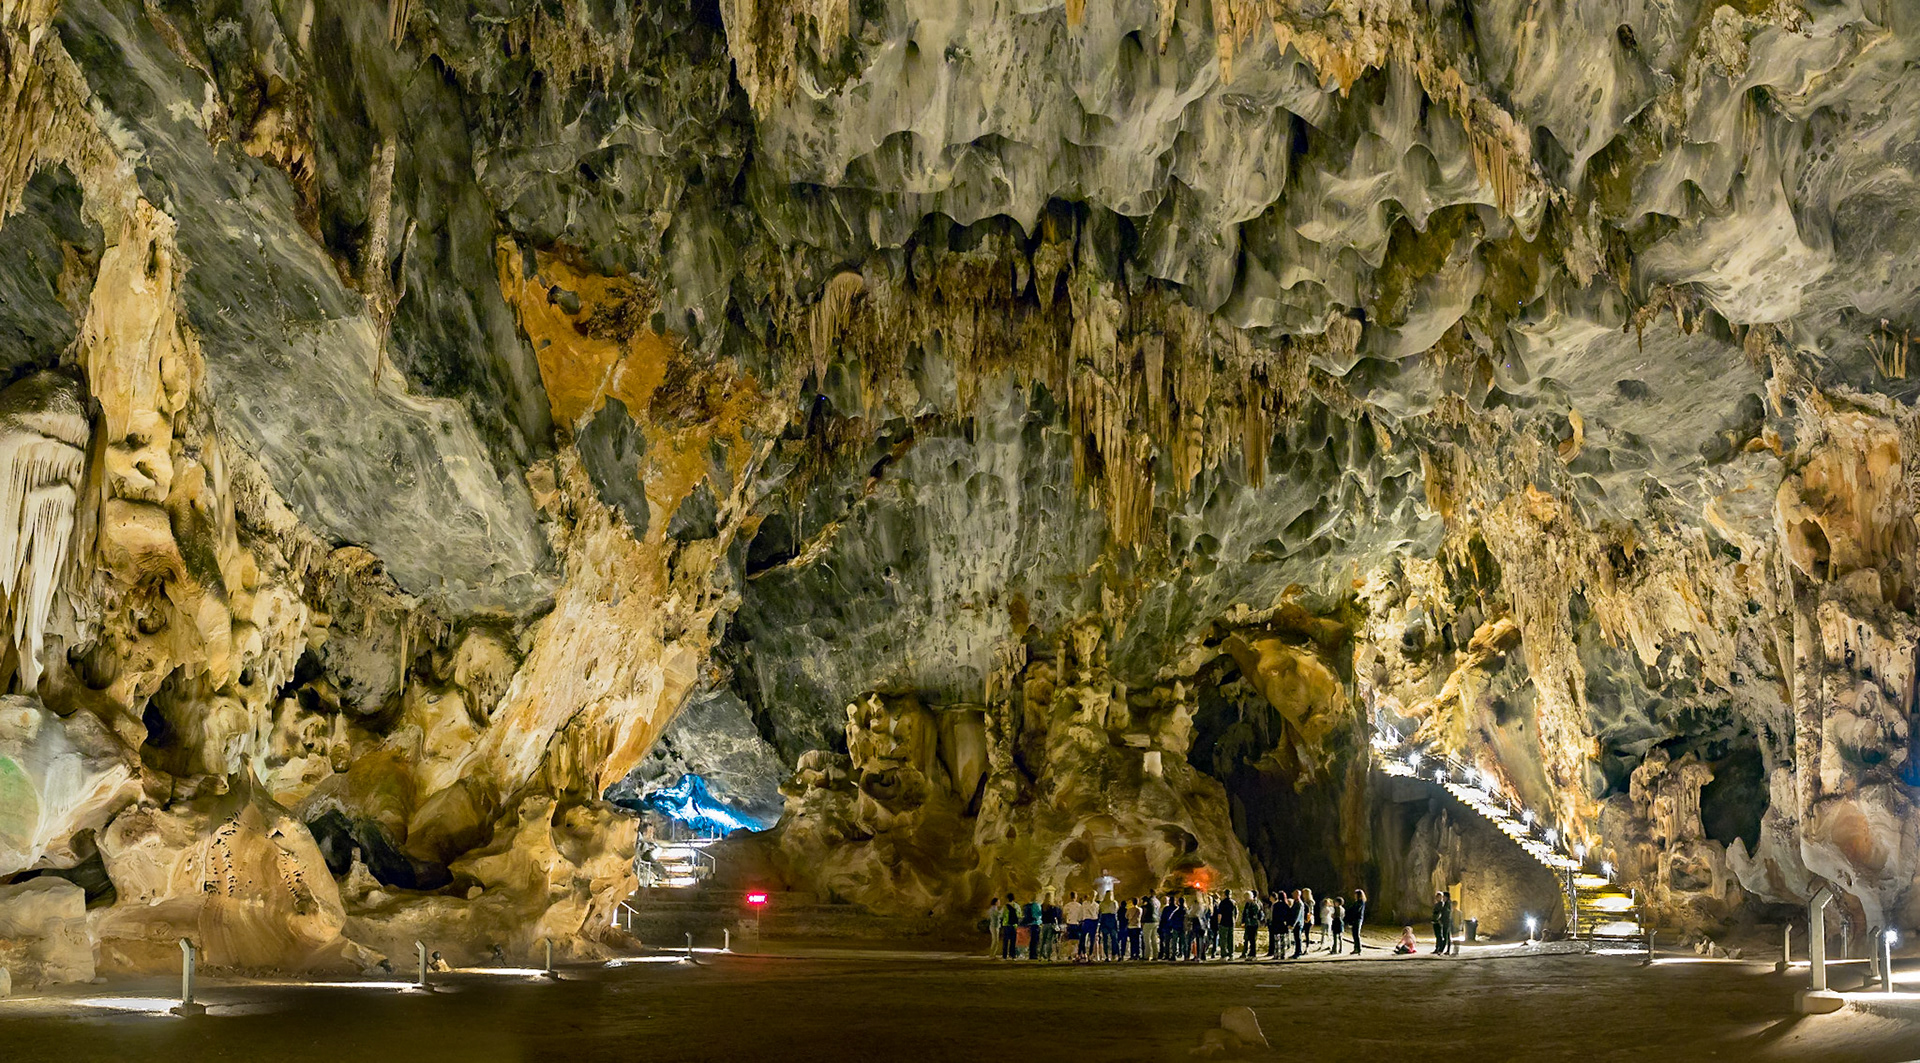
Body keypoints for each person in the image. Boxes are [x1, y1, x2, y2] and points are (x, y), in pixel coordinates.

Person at [1098, 890, 1120, 961]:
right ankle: (1115, 954)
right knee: (1114, 938)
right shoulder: (1114, 902)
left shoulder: (1102, 903)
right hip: (1112, 920)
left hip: (1105, 920)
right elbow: (1116, 910)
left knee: (1106, 939)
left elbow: (1100, 911)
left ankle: (1107, 955)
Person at [1240, 890, 1262, 959]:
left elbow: (1255, 914)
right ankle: (1249, 953)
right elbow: (1245, 913)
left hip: (1253, 924)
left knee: (1252, 940)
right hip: (1249, 924)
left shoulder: (1255, 905)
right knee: (1248, 938)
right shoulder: (1248, 904)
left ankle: (1253, 954)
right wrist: (1243, 922)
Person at [1215, 890, 1237, 960]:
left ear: (1224, 894)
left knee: (1223, 940)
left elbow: (1220, 914)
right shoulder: (1233, 902)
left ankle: (1224, 955)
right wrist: (1234, 921)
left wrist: (1219, 923)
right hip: (1231, 923)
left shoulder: (1222, 903)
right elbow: (1236, 913)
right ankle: (1231, 954)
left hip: (1224, 922)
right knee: (1231, 939)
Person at [1042, 892, 1062, 961]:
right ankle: (1049, 956)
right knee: (1050, 941)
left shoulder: (1042, 906)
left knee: (1043, 941)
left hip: (1044, 924)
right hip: (1051, 925)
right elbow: (1056, 916)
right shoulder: (1052, 907)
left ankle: (1041, 955)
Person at [1000, 892, 1020, 959]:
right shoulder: (1016, 906)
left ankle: (1004, 955)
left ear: (1007, 898)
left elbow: (1001, 915)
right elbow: (1019, 915)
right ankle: (1012, 954)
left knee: (1005, 941)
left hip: (1007, 925)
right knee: (1013, 941)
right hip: (1014, 925)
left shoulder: (1005, 906)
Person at [1024, 895, 1043, 960]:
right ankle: (1034, 954)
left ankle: (1031, 954)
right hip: (1036, 923)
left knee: (1032, 940)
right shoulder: (1037, 905)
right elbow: (1039, 915)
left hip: (1030, 924)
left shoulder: (1028, 906)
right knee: (1035, 940)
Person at [1349, 888, 1367, 955]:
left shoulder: (1360, 902)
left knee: (1356, 934)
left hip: (1358, 919)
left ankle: (1358, 948)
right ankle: (1356, 948)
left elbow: (1356, 910)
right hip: (1355, 919)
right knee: (1354, 934)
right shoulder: (1357, 902)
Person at [1140, 892, 1158, 960]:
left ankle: (1147, 955)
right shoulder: (1153, 904)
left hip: (1148, 922)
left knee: (1147, 940)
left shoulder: (1146, 906)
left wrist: (1142, 922)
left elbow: (1143, 914)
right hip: (1155, 921)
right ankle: (1155, 955)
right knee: (1154, 939)